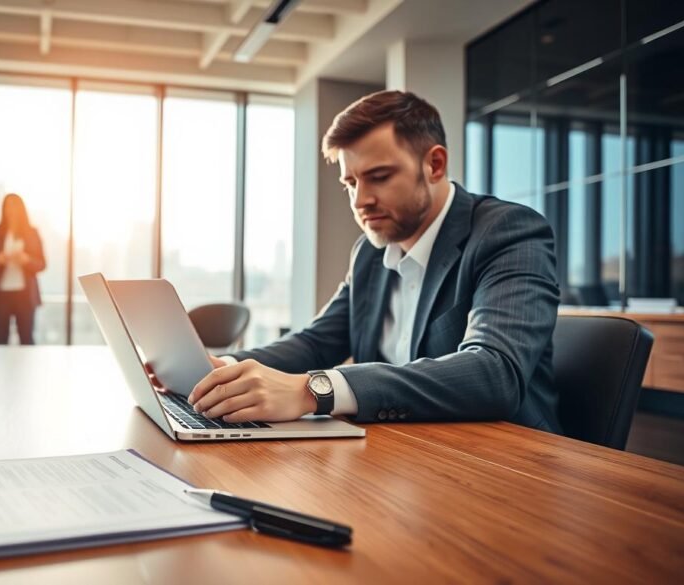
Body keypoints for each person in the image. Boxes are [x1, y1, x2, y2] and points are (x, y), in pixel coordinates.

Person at [184, 90, 561, 433]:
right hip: (401, 454)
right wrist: (222, 369)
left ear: (435, 164)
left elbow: (495, 372)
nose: (360, 200)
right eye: (350, 183)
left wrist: (315, 390)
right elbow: (316, 343)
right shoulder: (369, 252)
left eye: (378, 177)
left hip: (504, 460)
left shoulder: (508, 231)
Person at [0, 194, 46, 345]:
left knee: (27, 340)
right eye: (8, 206)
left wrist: (26, 260)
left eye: (15, 205)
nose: (11, 210)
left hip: (25, 295)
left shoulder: (32, 233)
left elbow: (42, 264)